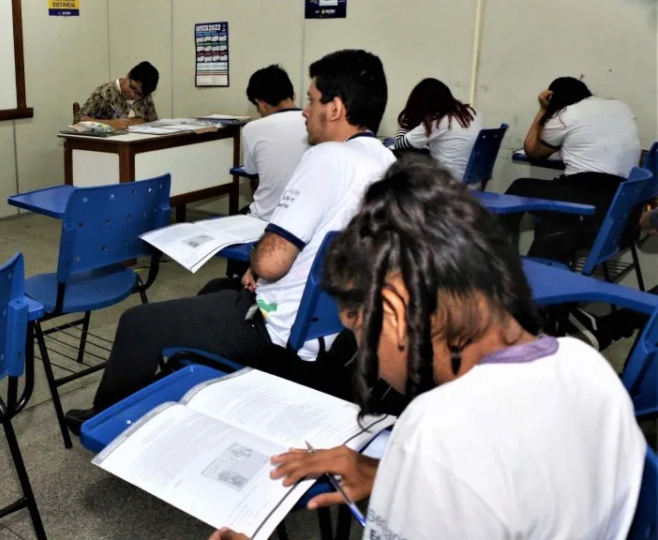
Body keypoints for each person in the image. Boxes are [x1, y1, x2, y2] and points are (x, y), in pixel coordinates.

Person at [210, 155, 646, 540]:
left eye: (358, 331)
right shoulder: (589, 367)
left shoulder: (438, 431)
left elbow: (466, 465)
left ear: (392, 310)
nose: (368, 358)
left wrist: (418, 468)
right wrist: (393, 475)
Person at [64, 49, 395, 432]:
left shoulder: (327, 158)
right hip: (333, 328)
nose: (305, 111)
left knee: (138, 323)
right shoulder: (386, 163)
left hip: (275, 328)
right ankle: (188, 392)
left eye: (312, 100)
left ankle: (104, 421)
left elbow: (270, 262)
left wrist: (258, 262)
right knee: (215, 289)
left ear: (335, 109)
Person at [503, 77, 640, 264]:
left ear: (554, 98)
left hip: (584, 198)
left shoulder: (565, 115)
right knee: (555, 218)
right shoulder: (621, 107)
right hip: (620, 203)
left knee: (520, 188)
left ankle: (495, 251)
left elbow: (532, 150)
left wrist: (543, 109)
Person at [242, 64, 309, 221]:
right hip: (307, 219)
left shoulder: (252, 128)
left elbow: (254, 178)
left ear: (261, 103)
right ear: (293, 94)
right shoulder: (316, 124)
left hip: (266, 219)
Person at [392, 78, 483, 181]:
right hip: (474, 181)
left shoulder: (438, 121)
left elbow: (399, 144)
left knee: (398, 156)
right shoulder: (472, 113)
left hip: (449, 182)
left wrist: (407, 119)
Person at [74, 61, 160, 129]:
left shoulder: (145, 98)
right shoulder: (104, 94)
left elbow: (155, 124)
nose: (132, 94)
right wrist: (111, 124)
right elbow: (78, 121)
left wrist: (141, 122)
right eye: (132, 87)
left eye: (138, 94)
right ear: (128, 75)